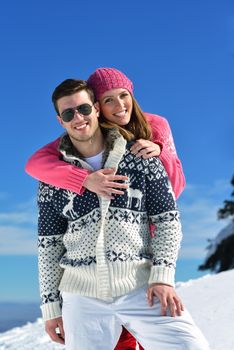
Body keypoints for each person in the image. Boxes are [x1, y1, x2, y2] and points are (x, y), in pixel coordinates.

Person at [36, 78, 209, 350]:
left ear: (95, 109)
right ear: (61, 121)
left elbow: (167, 221)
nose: (78, 118)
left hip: (139, 286)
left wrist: (162, 276)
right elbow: (49, 245)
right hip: (81, 296)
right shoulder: (53, 178)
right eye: (68, 113)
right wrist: (50, 307)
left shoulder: (141, 156)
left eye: (83, 109)